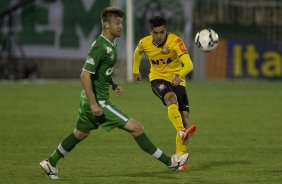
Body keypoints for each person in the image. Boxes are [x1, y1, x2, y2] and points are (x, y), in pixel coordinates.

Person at [39, 7, 189, 180]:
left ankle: (50, 162)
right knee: (137, 128)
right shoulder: (101, 46)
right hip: (98, 102)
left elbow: (100, 72)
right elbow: (85, 75)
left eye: (121, 23)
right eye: (117, 23)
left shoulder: (111, 44)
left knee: (80, 133)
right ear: (106, 25)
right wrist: (95, 104)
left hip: (89, 100)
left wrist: (112, 84)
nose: (120, 26)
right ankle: (170, 162)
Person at [133, 16, 197, 170]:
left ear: (165, 30)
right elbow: (138, 52)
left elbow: (189, 64)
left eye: (162, 32)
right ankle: (181, 131)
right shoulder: (145, 42)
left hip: (177, 79)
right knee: (171, 98)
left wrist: (179, 74)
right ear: (151, 32)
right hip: (157, 79)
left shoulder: (176, 41)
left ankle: (179, 159)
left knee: (185, 119)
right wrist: (135, 70)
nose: (159, 36)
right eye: (156, 33)